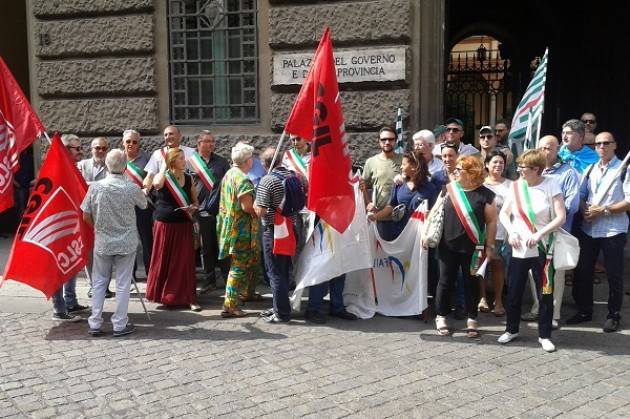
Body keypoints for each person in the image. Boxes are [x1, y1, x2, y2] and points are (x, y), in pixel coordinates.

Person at [498, 149, 566, 352]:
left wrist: (539, 234)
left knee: (545, 292)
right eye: (518, 166)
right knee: (514, 290)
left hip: (544, 247)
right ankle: (511, 329)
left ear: (536, 169)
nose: (519, 170)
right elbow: (504, 213)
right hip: (519, 248)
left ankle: (544, 335)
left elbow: (560, 216)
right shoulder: (517, 186)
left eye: (523, 167)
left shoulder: (551, 184)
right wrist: (511, 232)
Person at [81, 149, 148, 337]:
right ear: (125, 166)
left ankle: (95, 322)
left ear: (106, 166)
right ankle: (119, 324)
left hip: (103, 241)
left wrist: (99, 227)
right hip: (126, 242)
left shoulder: (95, 187)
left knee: (99, 282)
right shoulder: (131, 187)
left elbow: (86, 214)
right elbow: (143, 204)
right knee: (123, 283)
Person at [568, 132, 630, 332]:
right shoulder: (590, 168)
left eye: (606, 143)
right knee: (583, 271)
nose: (602, 146)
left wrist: (604, 210)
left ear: (614, 145)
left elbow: (629, 201)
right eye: (598, 144)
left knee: (614, 274)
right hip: (589, 229)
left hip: (613, 230)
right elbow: (583, 195)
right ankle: (585, 310)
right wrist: (586, 210)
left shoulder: (624, 170)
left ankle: (614, 314)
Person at [430, 156, 497, 338]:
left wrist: (489, 246)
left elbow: (491, 222)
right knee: (445, 281)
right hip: (447, 245)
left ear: (472, 172)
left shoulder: (486, 195)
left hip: (474, 248)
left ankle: (472, 318)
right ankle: (441, 316)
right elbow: (435, 211)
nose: (455, 172)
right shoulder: (448, 189)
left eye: (460, 169)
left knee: (471, 283)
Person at [521, 135, 580, 328]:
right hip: (532, 233)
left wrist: (551, 218)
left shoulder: (567, 173)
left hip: (556, 231)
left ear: (557, 149)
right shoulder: (528, 173)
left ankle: (554, 313)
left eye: (549, 148)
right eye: (542, 148)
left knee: (555, 274)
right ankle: (538, 307)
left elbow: (572, 203)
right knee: (534, 274)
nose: (545, 152)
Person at [145, 148, 201, 311]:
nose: (185, 161)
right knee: (164, 259)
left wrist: (193, 207)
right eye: (181, 158)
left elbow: (196, 201)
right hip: (165, 225)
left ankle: (189, 297)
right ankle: (163, 295)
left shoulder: (189, 178)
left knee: (185, 262)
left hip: (183, 224)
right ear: (172, 161)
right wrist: (163, 165)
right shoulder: (164, 178)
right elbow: (156, 184)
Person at [255, 147, 302, 323]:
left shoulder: (267, 180)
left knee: (275, 273)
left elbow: (260, 211)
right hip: (291, 227)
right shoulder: (294, 177)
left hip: (274, 230)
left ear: (264, 163)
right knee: (284, 270)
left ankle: (281, 313)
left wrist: (255, 204)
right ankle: (280, 306)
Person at [217, 142, 260, 317]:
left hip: (231, 227)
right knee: (239, 266)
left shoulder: (229, 174)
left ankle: (245, 293)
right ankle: (230, 305)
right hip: (242, 230)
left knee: (248, 264)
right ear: (247, 160)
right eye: (252, 158)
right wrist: (260, 207)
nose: (253, 161)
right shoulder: (242, 179)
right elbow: (247, 207)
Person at [50, 134, 90, 322]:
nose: (81, 151)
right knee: (59, 266)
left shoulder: (72, 168)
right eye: (77, 148)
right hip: (60, 225)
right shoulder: (58, 169)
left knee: (73, 263)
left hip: (73, 223)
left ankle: (71, 302)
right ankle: (59, 309)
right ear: (66, 150)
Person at [191, 131, 230, 292]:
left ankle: (228, 279)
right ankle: (209, 280)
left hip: (220, 210)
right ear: (198, 144)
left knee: (223, 246)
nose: (210, 144)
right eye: (206, 141)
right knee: (206, 248)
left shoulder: (222, 162)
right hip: (201, 211)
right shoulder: (190, 162)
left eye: (212, 141)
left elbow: (228, 184)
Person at [368, 151, 437, 239]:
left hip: (418, 238)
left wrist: (429, 214)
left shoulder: (430, 188)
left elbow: (434, 213)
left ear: (414, 166)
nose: (401, 167)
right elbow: (392, 206)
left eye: (404, 164)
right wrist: (375, 216)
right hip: (398, 235)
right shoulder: (399, 185)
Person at [78, 137, 113, 298]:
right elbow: (77, 184)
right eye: (97, 148)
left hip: (107, 215)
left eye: (103, 148)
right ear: (91, 149)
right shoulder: (82, 165)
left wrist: (89, 184)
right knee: (90, 252)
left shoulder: (112, 166)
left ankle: (104, 287)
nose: (100, 151)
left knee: (106, 252)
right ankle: (93, 286)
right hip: (87, 215)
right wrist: (97, 185)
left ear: (107, 149)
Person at [479, 150, 512, 317]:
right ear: (486, 164)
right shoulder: (479, 184)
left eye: (501, 162)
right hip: (480, 233)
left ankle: (498, 300)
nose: (498, 165)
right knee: (481, 266)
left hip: (501, 233)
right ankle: (483, 297)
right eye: (494, 162)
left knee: (498, 266)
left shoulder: (512, 185)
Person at [122, 129, 154, 278]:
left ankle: (151, 275)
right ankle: (130, 276)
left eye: (134, 142)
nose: (131, 144)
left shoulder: (147, 159)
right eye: (128, 141)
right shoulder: (117, 158)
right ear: (123, 143)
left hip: (143, 206)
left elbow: (150, 181)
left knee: (147, 240)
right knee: (127, 242)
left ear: (139, 144)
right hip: (122, 207)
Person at [362, 127, 403, 241]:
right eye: (384, 139)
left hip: (402, 218)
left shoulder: (404, 159)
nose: (387, 142)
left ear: (395, 140)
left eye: (390, 139)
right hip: (380, 219)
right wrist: (368, 202)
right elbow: (363, 184)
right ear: (378, 141)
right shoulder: (371, 162)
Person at [143, 125, 195, 189]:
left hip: (184, 192)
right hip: (164, 192)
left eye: (171, 134)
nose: (168, 137)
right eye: (165, 135)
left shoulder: (191, 152)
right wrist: (146, 189)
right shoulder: (157, 154)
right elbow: (150, 176)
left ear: (179, 136)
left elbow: (196, 175)